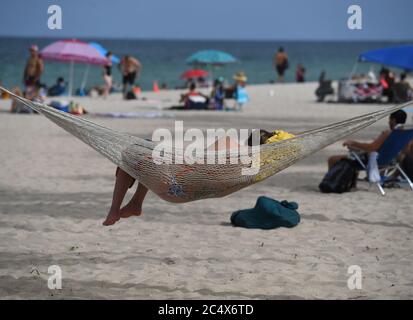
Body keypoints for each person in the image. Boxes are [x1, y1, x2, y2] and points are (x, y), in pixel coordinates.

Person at [103, 129, 294, 226]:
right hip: (185, 189)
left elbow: (198, 164)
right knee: (145, 153)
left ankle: (117, 208)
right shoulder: (255, 169)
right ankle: (135, 203)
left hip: (175, 184)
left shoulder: (231, 145)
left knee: (133, 151)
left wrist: (172, 158)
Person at [327, 110, 407, 170]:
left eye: (389, 119)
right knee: (356, 153)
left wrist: (354, 143)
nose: (388, 122)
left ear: (393, 120)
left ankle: (331, 183)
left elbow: (371, 148)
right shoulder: (405, 134)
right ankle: (353, 184)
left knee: (332, 159)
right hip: (392, 161)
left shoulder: (388, 133)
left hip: (376, 162)